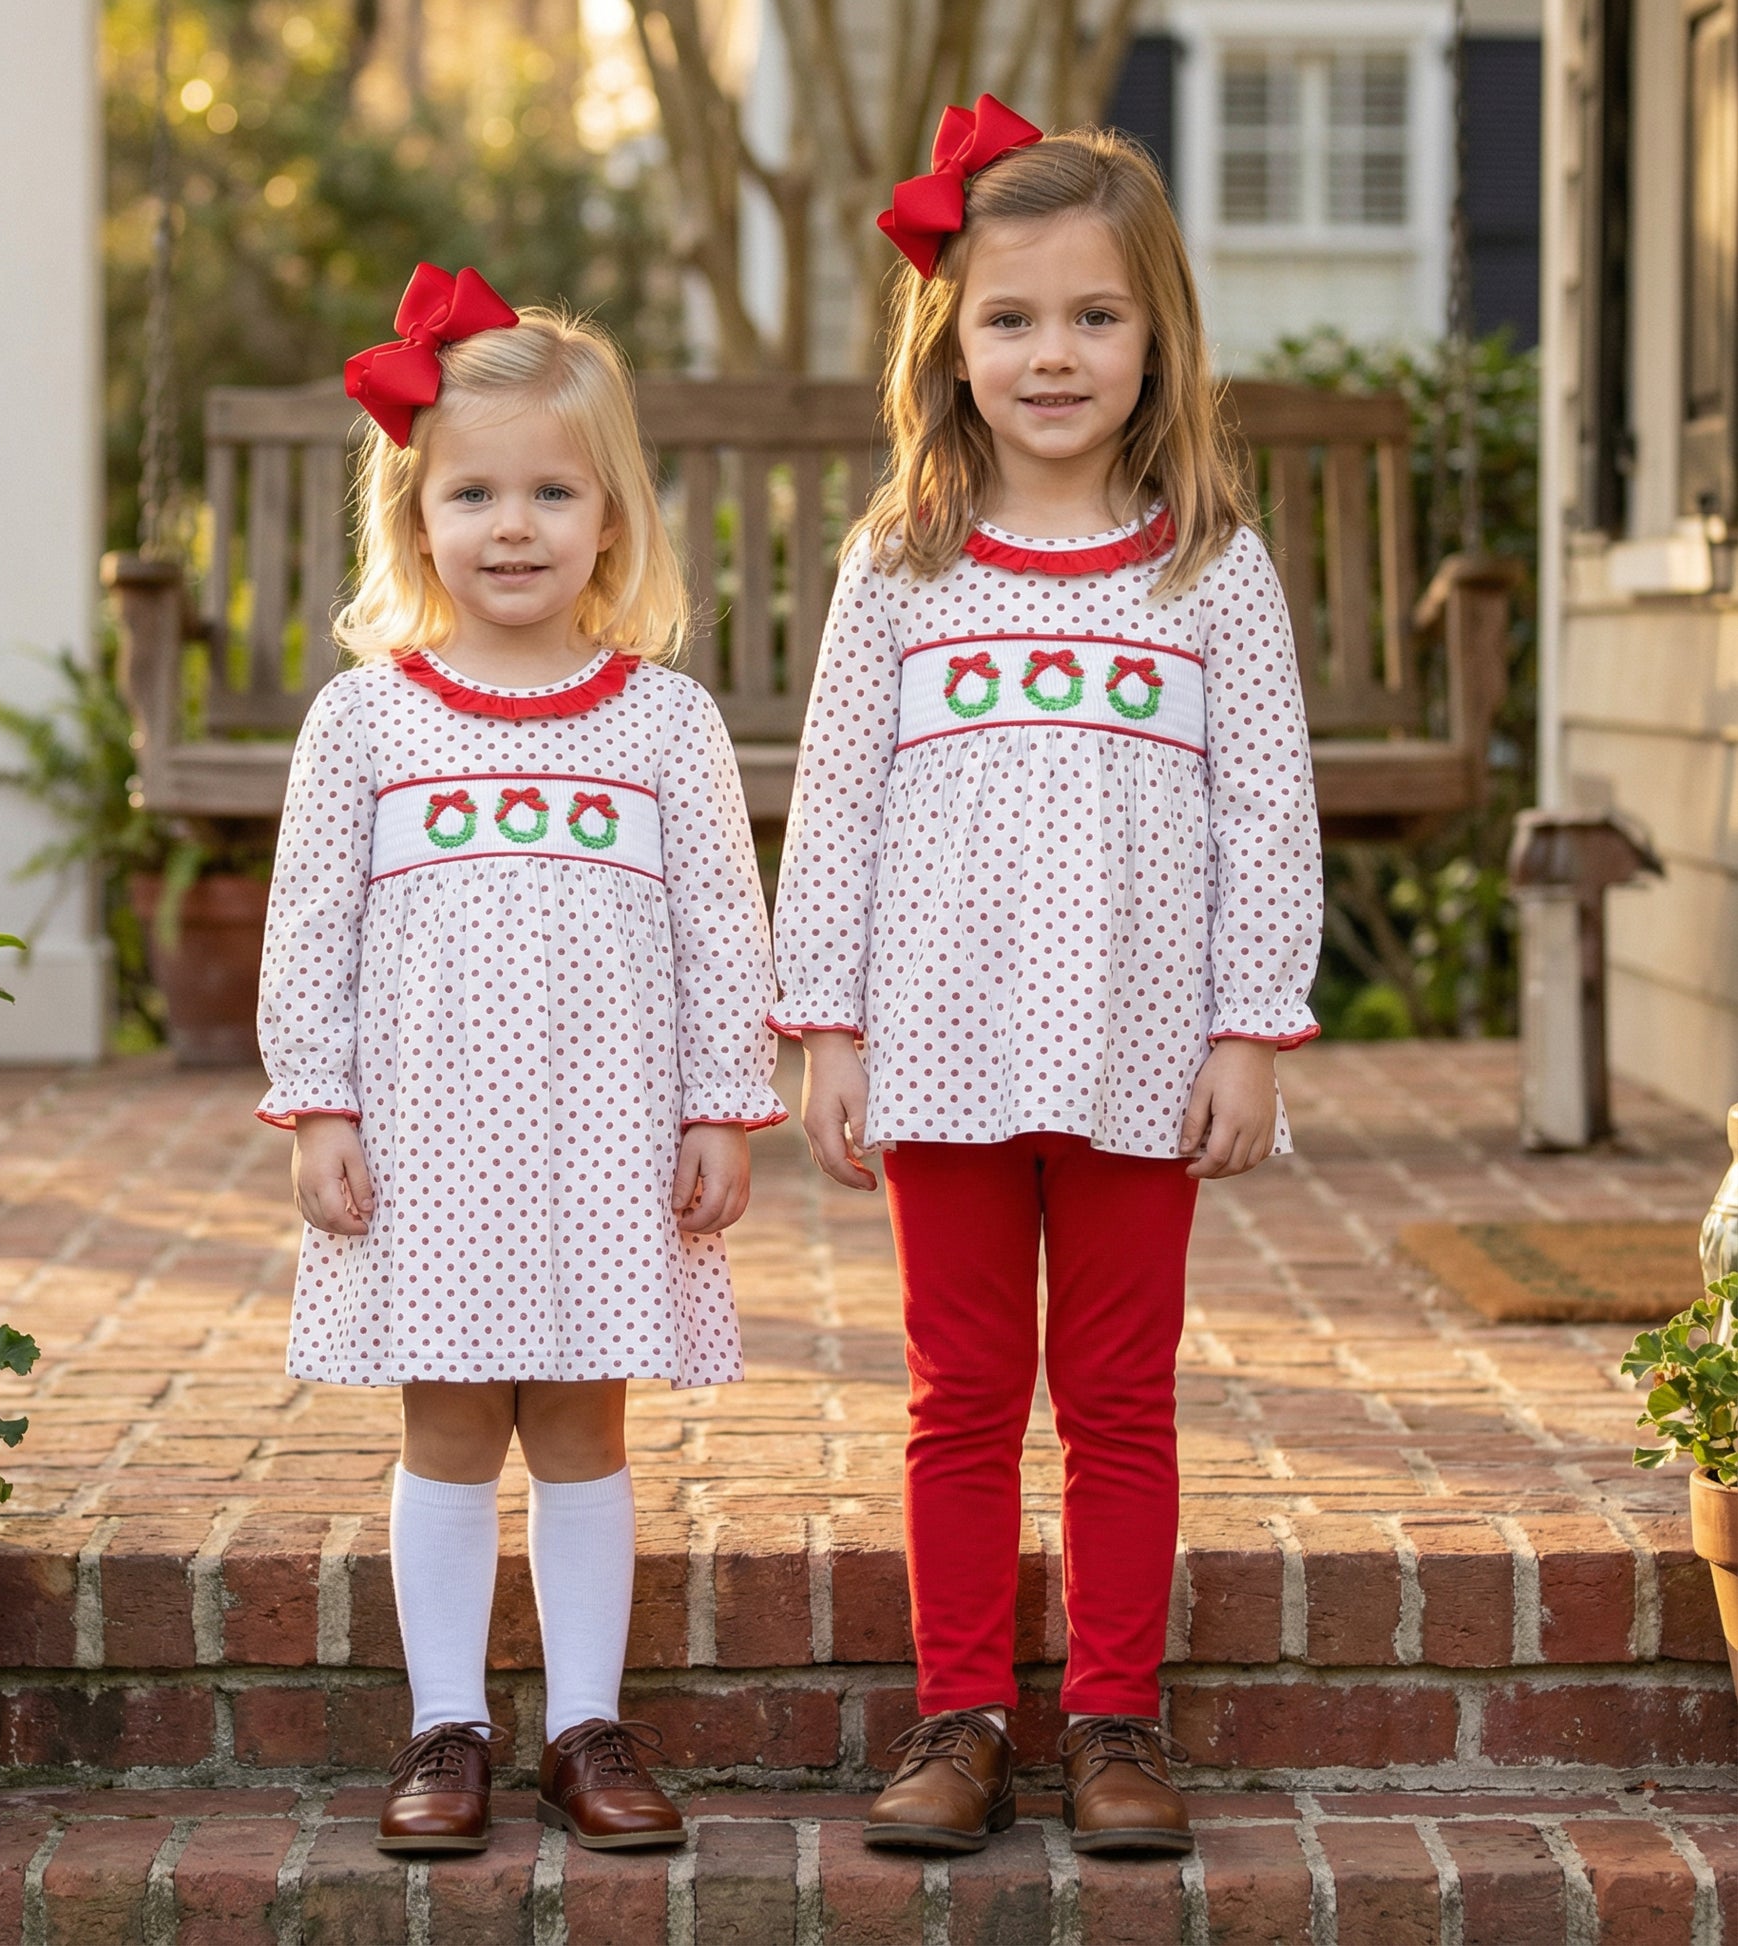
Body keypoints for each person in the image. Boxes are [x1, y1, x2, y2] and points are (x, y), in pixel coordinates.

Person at [770, 100, 1322, 1856]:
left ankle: (1112, 1719)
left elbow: (1269, 811)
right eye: (1009, 318)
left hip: (1140, 1053)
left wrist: (1247, 1031)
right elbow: (834, 801)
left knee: (1117, 1391)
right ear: (950, 341)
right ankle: (956, 1715)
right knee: (955, 1391)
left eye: (1092, 315)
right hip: (931, 1045)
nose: (1052, 353)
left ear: (1155, 335)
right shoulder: (902, 565)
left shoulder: (1203, 567)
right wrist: (827, 1025)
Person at [256, 264, 783, 1856]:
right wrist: (320, 1107)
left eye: (552, 491)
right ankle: (444, 1725)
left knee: (580, 1426)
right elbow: (307, 932)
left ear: (610, 519)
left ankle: (582, 1727)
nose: (511, 525)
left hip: (604, 1142)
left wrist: (720, 1108)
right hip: (427, 1141)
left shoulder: (662, 724)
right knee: (445, 1426)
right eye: (473, 491)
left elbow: (720, 927)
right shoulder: (365, 723)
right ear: (416, 516)